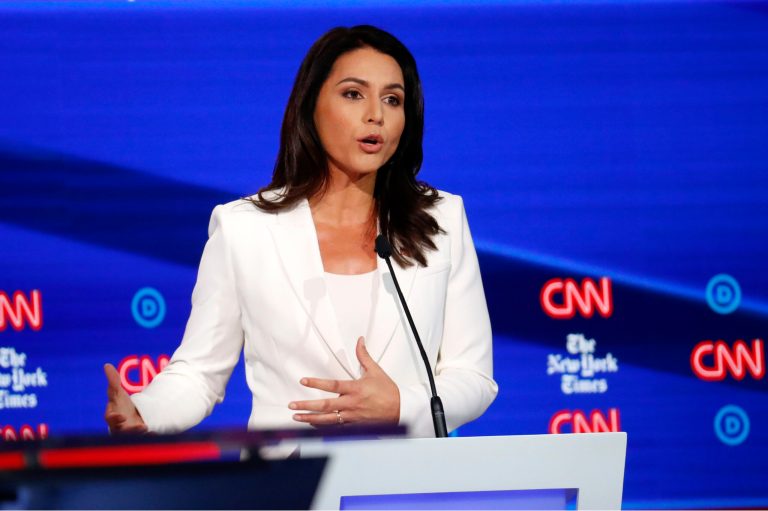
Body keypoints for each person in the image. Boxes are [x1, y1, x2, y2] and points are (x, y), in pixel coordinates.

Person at [104, 25, 497, 438]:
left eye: (392, 99)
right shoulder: (245, 228)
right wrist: (145, 411)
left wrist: (401, 405)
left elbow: (473, 377)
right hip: (291, 473)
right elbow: (199, 373)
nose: (375, 115)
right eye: (353, 94)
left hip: (408, 476)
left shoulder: (442, 219)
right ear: (311, 105)